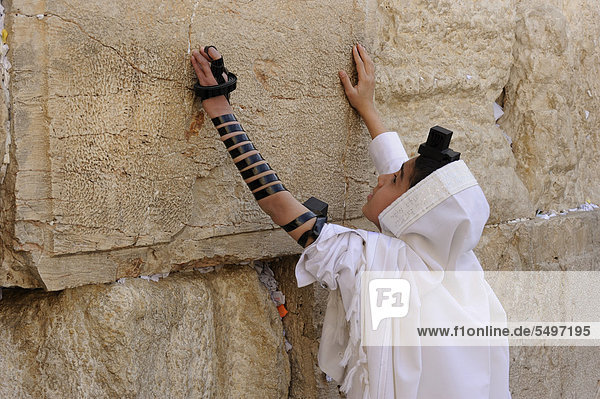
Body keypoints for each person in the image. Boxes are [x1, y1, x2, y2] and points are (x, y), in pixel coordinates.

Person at [190, 44, 511, 399]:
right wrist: (368, 107)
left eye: (393, 179)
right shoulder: (457, 264)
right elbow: (410, 191)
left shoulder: (375, 266)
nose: (380, 178)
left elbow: (279, 205)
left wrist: (218, 106)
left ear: (409, 212)